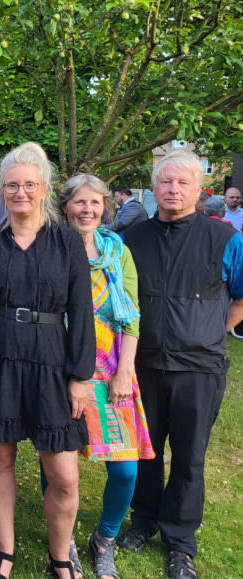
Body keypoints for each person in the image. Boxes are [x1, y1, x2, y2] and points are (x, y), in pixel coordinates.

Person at [0, 142, 96, 579]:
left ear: (44, 189)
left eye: (29, 185)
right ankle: (5, 551)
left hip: (53, 361)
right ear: (2, 191)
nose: (20, 192)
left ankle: (60, 554)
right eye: (12, 185)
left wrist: (80, 377)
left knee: (64, 473)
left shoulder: (67, 242)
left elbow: (82, 311)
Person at [117, 152, 243, 579]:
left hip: (199, 367)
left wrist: (212, 331)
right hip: (144, 364)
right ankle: (143, 521)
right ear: (154, 188)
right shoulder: (132, 238)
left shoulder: (225, 238)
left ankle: (180, 541)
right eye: (166, 183)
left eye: (182, 183)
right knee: (145, 452)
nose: (173, 190)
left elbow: (241, 296)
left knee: (189, 458)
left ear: (198, 189)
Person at [57, 175, 155, 579]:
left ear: (105, 207)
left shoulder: (118, 252)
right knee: (62, 471)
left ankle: (104, 539)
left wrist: (126, 370)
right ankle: (61, 546)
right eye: (79, 202)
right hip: (63, 369)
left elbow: (130, 315)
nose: (87, 210)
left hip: (114, 370)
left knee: (126, 470)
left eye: (94, 203)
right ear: (65, 207)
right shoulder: (53, 248)